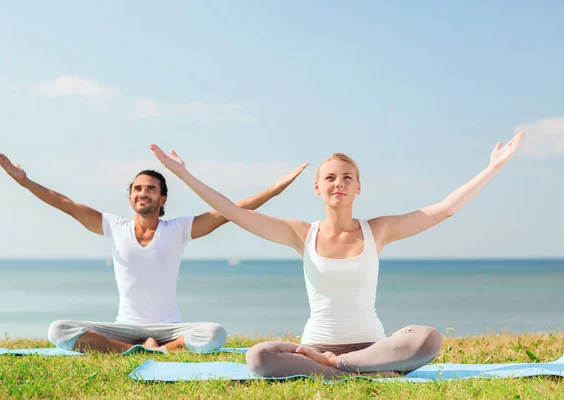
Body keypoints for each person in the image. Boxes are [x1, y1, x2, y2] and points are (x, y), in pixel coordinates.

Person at [148, 131, 525, 377]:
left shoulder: (378, 230)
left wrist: (491, 169)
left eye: (346, 177)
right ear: (317, 187)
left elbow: (443, 209)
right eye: (330, 177)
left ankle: (340, 367)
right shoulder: (301, 233)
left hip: (372, 346)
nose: (338, 183)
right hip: (314, 347)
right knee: (258, 357)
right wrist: (183, 175)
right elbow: (234, 212)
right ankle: (359, 369)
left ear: (358, 187)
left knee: (427, 338)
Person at [0, 152, 307, 354]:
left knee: (214, 333)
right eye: (137, 189)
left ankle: (164, 347)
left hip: (170, 326)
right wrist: (25, 182)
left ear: (163, 199)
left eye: (150, 189)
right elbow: (63, 203)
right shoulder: (113, 226)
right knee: (58, 330)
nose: (142, 192)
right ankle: (132, 349)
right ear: (130, 198)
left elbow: (230, 211)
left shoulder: (178, 229)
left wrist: (275, 189)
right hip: (124, 325)